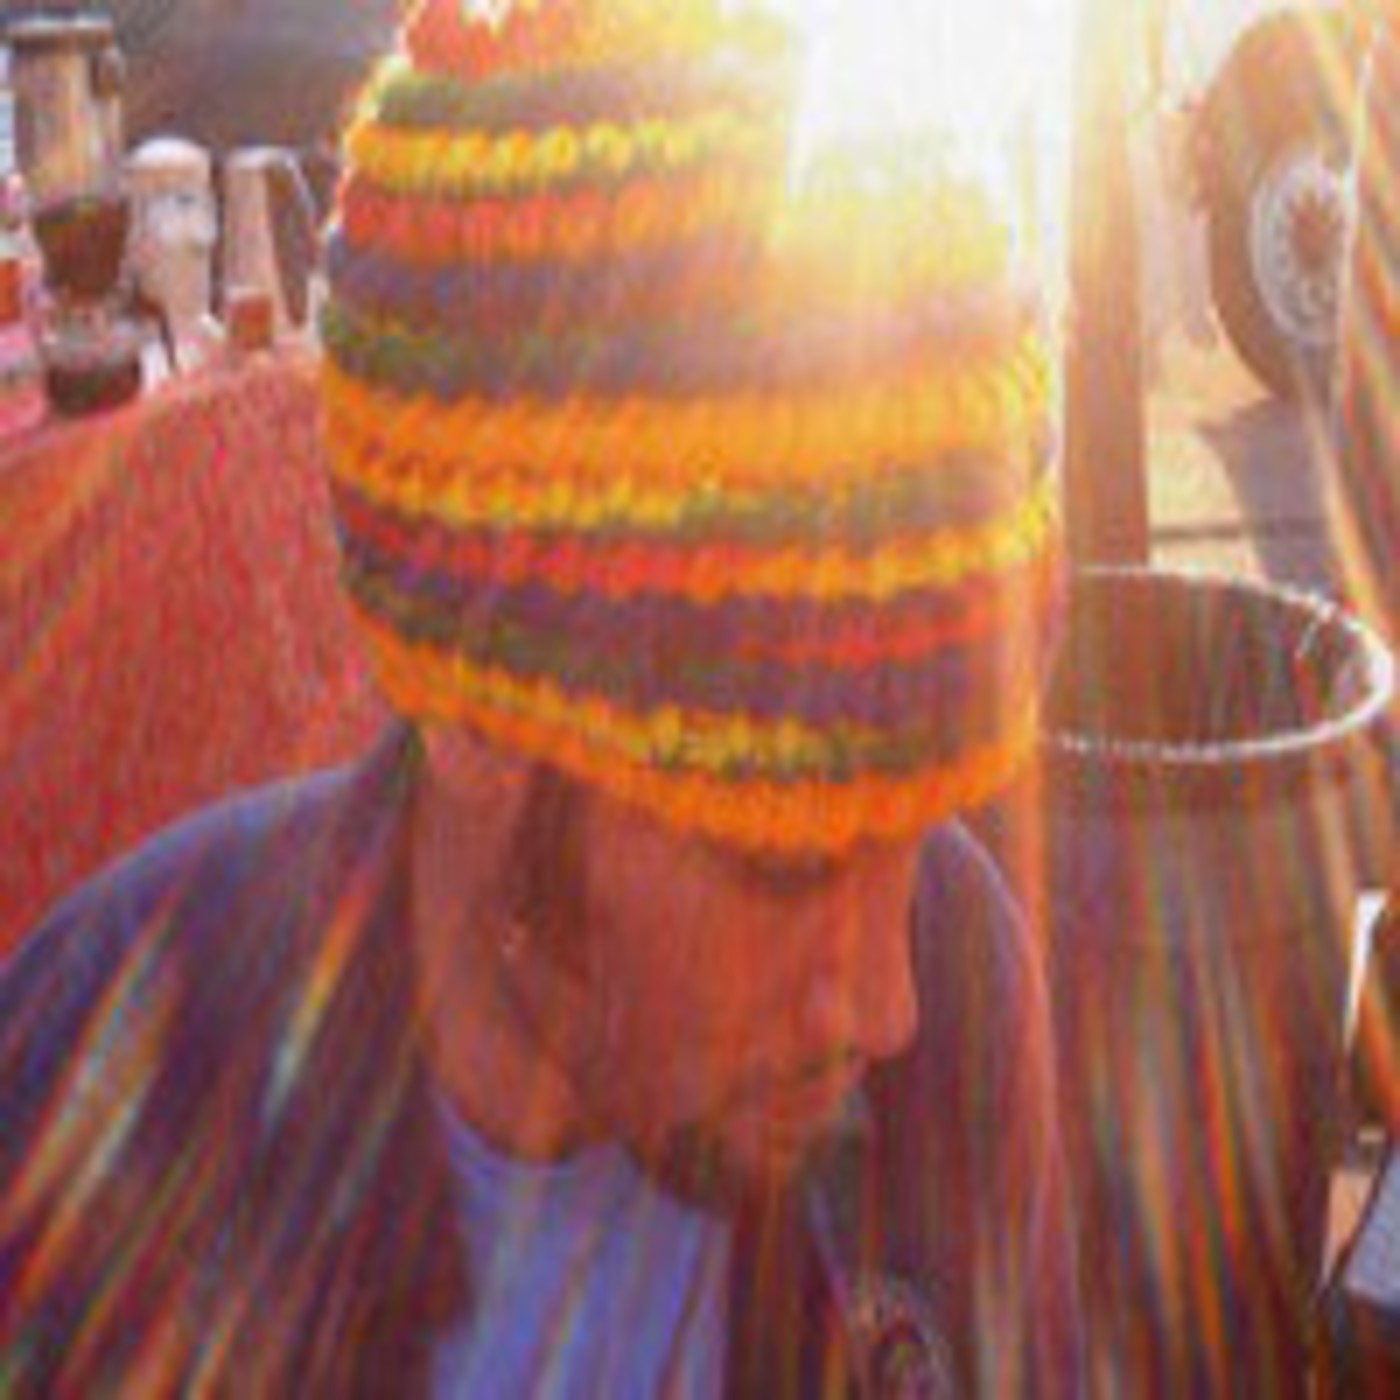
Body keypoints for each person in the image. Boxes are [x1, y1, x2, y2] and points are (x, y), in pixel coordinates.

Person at [0, 1, 1081, 1394]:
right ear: (476, 728)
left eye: (921, 823)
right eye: (788, 865)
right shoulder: (99, 1123)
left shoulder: (963, 990)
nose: (886, 1005)